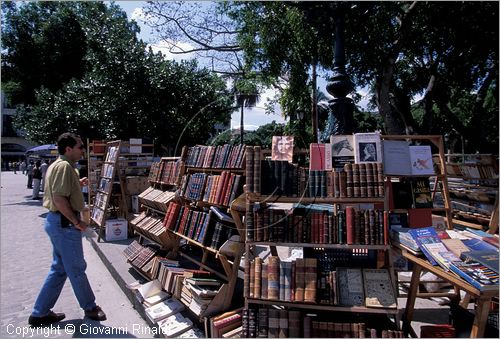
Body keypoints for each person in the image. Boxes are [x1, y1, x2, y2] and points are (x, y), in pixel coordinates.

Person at [28, 132, 106, 327]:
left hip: (57, 222)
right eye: (80, 147)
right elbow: (59, 199)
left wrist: (76, 185)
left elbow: (58, 191)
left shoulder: (58, 165)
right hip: (64, 223)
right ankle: (90, 307)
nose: (83, 151)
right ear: (68, 148)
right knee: (76, 268)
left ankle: (40, 313)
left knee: (59, 268)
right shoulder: (64, 166)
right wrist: (77, 222)